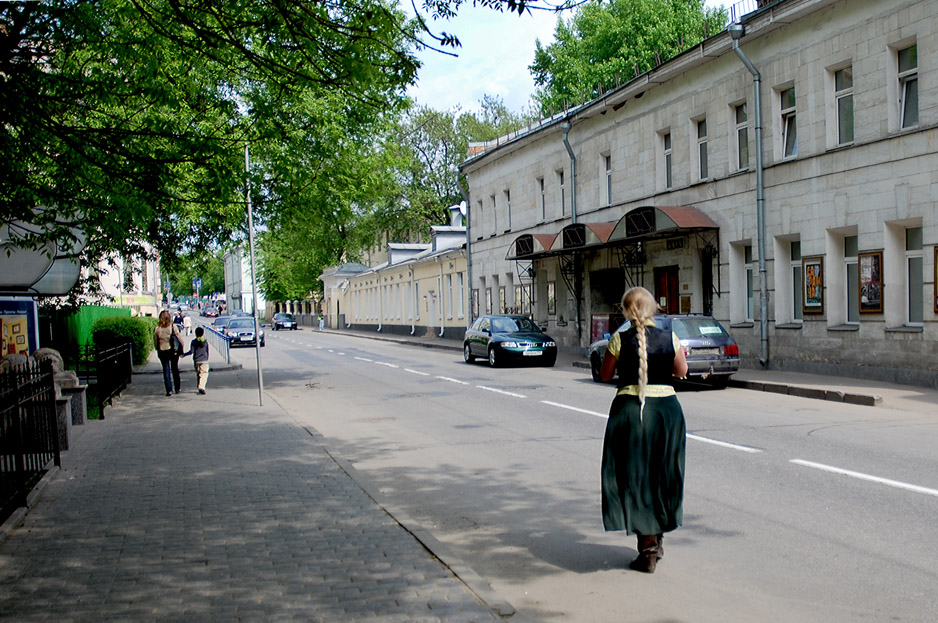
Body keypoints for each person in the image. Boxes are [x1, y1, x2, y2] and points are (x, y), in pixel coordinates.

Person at [599, 286, 688, 573]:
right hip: (666, 413)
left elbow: (604, 374)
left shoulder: (619, 338)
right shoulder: (669, 336)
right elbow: (681, 370)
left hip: (631, 412)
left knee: (636, 476)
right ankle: (655, 540)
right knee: (661, 474)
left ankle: (649, 545)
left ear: (625, 310)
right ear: (652, 308)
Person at [154, 310, 184, 396]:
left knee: (166, 370)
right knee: (175, 369)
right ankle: (177, 388)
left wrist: (157, 348)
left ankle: (169, 390)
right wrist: (182, 347)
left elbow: (156, 341)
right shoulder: (172, 326)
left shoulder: (157, 328)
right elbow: (178, 337)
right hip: (173, 350)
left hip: (162, 351)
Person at [183, 326, 210, 395]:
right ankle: (201, 387)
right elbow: (207, 351)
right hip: (204, 360)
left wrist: (184, 354)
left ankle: (199, 386)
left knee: (199, 374)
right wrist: (207, 358)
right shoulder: (205, 341)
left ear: (195, 333)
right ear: (203, 334)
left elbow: (191, 351)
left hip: (196, 360)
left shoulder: (193, 342)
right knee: (204, 373)